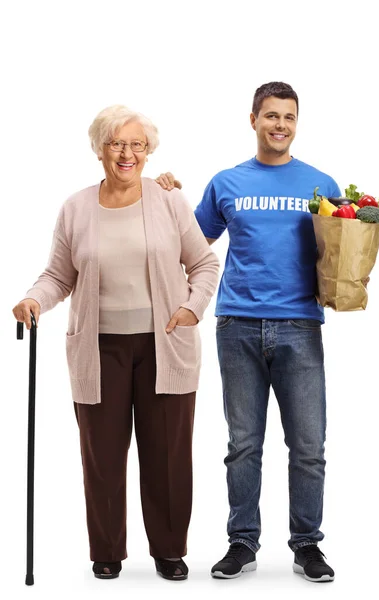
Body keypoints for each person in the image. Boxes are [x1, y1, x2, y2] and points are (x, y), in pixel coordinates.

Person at [12, 105, 219, 581]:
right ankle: (106, 550)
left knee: (168, 453)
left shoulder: (168, 200)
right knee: (102, 456)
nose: (127, 153)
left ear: (148, 152)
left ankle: (169, 549)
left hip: (165, 345)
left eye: (137, 145)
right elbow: (58, 275)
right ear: (99, 149)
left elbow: (205, 264)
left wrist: (191, 308)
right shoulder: (76, 207)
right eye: (116, 144)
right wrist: (33, 300)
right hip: (99, 349)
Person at [158, 82, 339, 583]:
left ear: (296, 123)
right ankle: (242, 541)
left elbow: (342, 249)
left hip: (300, 326)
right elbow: (192, 245)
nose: (280, 125)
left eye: (289, 117)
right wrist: (169, 197)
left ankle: (307, 544)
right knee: (243, 444)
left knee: (308, 446)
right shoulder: (227, 182)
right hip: (236, 324)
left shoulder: (321, 184)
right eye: (271, 116)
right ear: (253, 119)